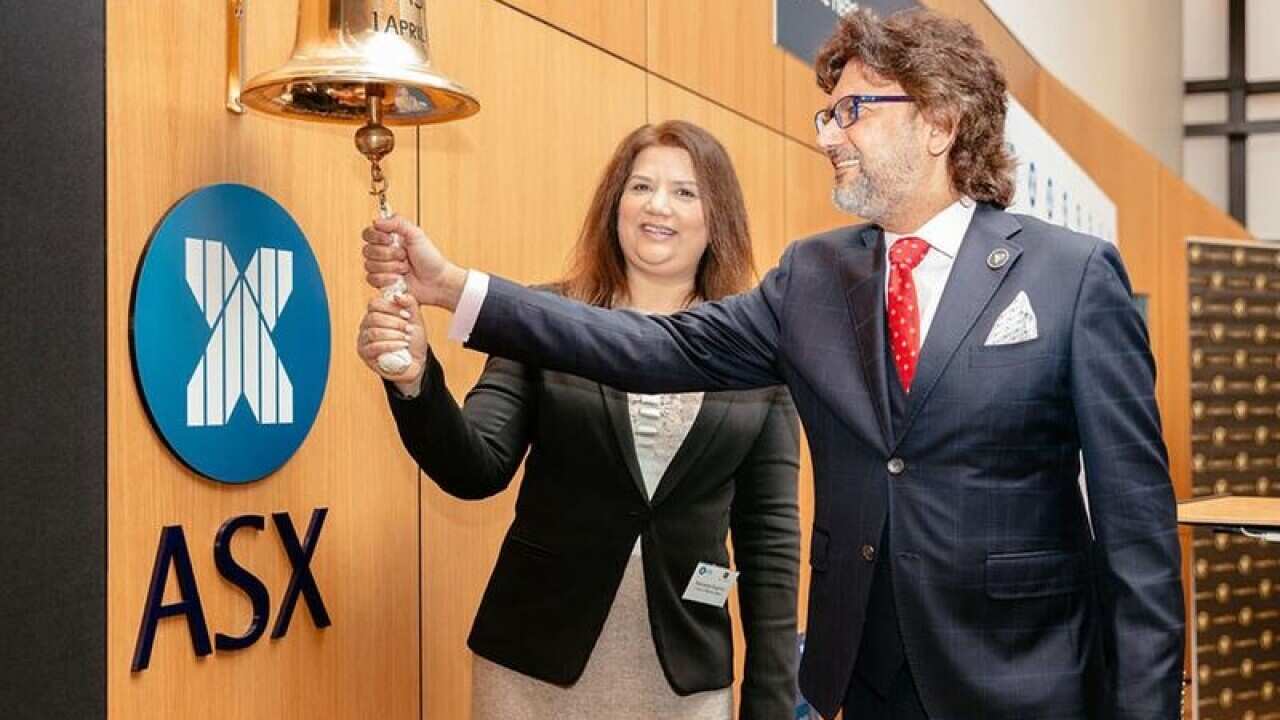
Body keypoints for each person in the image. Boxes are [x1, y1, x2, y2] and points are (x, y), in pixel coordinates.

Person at [363, 8, 1186, 719]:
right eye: (828, 115)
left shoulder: (1071, 275)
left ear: (939, 122)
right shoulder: (814, 277)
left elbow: (1136, 537)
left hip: (1022, 681)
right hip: (863, 679)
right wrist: (455, 288)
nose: (829, 135)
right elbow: (658, 347)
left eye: (853, 111)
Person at [357, 120, 801, 720]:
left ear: (717, 217)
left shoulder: (757, 352)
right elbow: (474, 467)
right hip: (533, 664)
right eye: (640, 187)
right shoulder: (540, 319)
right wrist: (414, 380)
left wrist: (770, 704)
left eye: (685, 191)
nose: (658, 207)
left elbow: (769, 542)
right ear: (615, 205)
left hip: (686, 674)